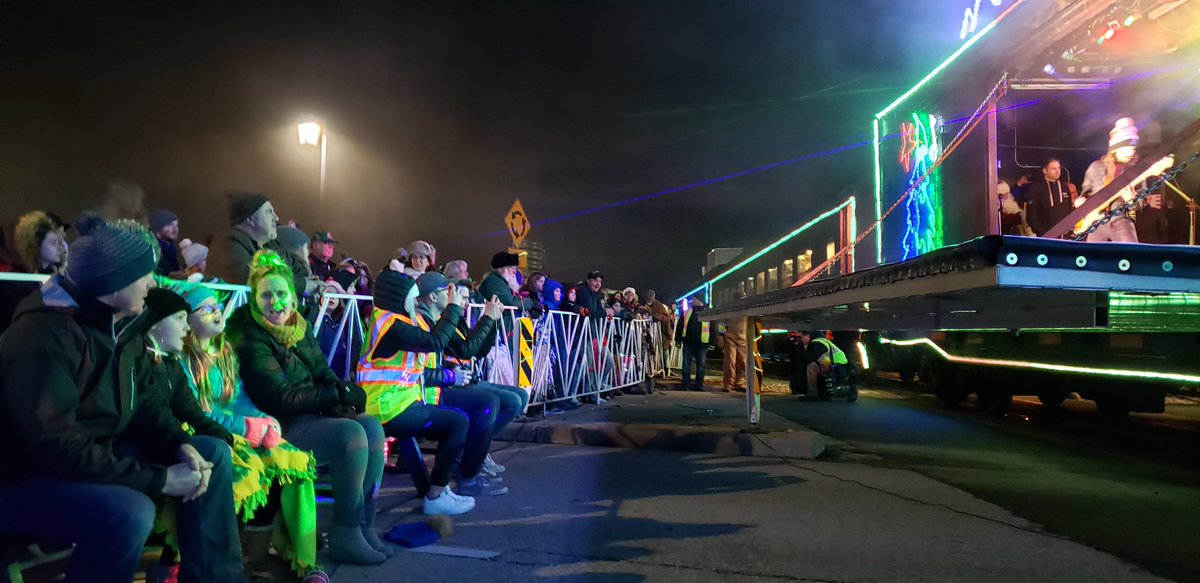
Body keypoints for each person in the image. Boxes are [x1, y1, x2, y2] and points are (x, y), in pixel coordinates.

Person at [0, 213, 247, 583]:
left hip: (94, 453)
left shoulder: (124, 323)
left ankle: (217, 577)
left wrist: (179, 445)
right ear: (113, 282)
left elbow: (145, 402)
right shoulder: (43, 335)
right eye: (144, 274)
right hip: (27, 477)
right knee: (129, 512)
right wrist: (159, 479)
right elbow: (54, 446)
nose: (152, 282)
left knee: (210, 453)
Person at [226, 250, 389, 565]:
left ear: (292, 295)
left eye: (281, 293)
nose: (275, 303)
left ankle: (364, 526)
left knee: (371, 426)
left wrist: (341, 393)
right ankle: (344, 531)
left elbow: (321, 371)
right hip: (274, 424)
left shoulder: (298, 325)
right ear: (253, 298)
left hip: (306, 415)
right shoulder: (249, 335)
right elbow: (277, 399)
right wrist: (332, 395)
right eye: (266, 295)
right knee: (350, 434)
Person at [176, 285, 324, 581]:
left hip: (237, 427)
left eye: (217, 305)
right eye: (206, 309)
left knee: (291, 459)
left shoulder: (224, 352)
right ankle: (237, 556)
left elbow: (239, 399)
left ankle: (300, 556)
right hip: (204, 432)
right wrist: (244, 427)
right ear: (187, 320)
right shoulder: (182, 359)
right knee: (251, 470)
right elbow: (195, 411)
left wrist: (263, 419)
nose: (217, 312)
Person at [358, 270, 504, 514]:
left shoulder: (395, 321)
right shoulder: (390, 325)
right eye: (411, 297)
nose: (414, 303)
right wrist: (454, 309)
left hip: (398, 402)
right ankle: (436, 495)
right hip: (386, 408)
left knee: (463, 418)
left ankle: (442, 488)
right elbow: (435, 343)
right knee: (458, 422)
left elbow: (459, 348)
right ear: (400, 297)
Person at [418, 272, 527, 470]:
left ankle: (475, 452)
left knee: (519, 395)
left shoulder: (453, 319)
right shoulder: (436, 320)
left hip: (457, 379)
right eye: (456, 295)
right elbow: (464, 349)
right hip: (443, 386)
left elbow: (478, 351)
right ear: (434, 297)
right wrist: (487, 318)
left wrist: (492, 321)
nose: (464, 302)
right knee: (504, 402)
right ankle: (471, 457)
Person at [1077, 118, 1171, 242]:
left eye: (1133, 147)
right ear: (1116, 149)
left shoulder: (1136, 171)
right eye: (1128, 147)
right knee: (1092, 258)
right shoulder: (1096, 167)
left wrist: (1132, 200)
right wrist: (1080, 202)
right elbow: (1084, 194)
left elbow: (1141, 202)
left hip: (1121, 221)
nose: (1132, 151)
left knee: (1131, 256)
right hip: (1096, 224)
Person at [224, 190, 279, 282]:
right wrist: (304, 284)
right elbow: (264, 281)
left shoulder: (252, 245)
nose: (276, 218)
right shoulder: (230, 246)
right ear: (250, 218)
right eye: (269, 212)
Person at [1020, 159, 1072, 237]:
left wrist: (1068, 227)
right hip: (1045, 234)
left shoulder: (1064, 187)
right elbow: (1031, 214)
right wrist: (1040, 231)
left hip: (1064, 234)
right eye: (1053, 169)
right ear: (1045, 170)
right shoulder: (1036, 188)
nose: (1057, 171)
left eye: (1059, 168)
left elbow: (1069, 208)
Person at [675, 295, 712, 391]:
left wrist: (712, 341)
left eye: (694, 299)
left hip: (702, 343)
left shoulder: (708, 313)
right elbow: (680, 326)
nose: (692, 301)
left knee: (701, 365)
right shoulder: (686, 312)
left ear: (700, 301)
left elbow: (713, 327)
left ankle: (698, 385)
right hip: (689, 342)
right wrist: (678, 340)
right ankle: (686, 384)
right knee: (687, 364)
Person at [797, 330, 848, 399]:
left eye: (801, 337)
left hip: (835, 366)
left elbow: (808, 359)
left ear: (808, 336)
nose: (800, 339)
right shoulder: (823, 341)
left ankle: (812, 394)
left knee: (811, 366)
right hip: (840, 366)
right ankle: (831, 391)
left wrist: (799, 349)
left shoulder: (816, 343)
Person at [719, 312, 747, 393]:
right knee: (730, 361)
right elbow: (722, 322)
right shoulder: (731, 309)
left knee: (742, 362)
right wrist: (720, 335)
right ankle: (728, 384)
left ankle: (738, 383)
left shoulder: (748, 308)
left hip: (744, 339)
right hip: (730, 337)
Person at [150, 208, 182, 275]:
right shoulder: (153, 252)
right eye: (170, 225)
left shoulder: (170, 249)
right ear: (158, 226)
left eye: (176, 225)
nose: (176, 230)